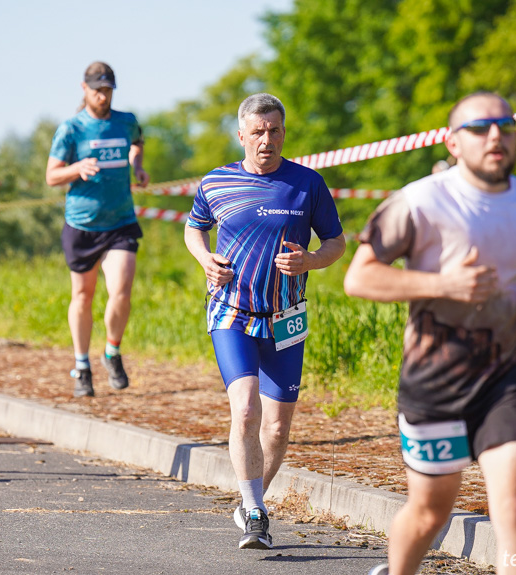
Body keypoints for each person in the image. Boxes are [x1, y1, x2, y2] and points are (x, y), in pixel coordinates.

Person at [344, 92, 516, 575]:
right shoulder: (420, 201)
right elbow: (359, 278)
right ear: (453, 143)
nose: (496, 136)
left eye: (505, 125)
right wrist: (445, 284)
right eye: (480, 128)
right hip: (435, 380)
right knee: (429, 511)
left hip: (510, 375)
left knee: (514, 506)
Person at [185, 93, 346, 550]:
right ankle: (256, 512)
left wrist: (310, 261)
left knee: (276, 429)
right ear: (241, 136)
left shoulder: (307, 184)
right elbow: (193, 227)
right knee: (247, 408)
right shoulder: (216, 182)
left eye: (274, 131)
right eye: (257, 132)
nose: (266, 140)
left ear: (283, 133)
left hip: (285, 318)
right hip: (231, 311)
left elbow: (337, 242)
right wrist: (204, 259)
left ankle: (248, 499)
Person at [46, 61, 149, 398]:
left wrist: (138, 166)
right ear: (84, 89)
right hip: (82, 224)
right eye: (96, 91)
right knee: (83, 296)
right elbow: (51, 176)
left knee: (121, 289)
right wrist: (77, 167)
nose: (102, 97)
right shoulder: (71, 129)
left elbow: (137, 142)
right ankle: (82, 366)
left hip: (120, 221)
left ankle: (112, 352)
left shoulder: (125, 121)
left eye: (107, 91)